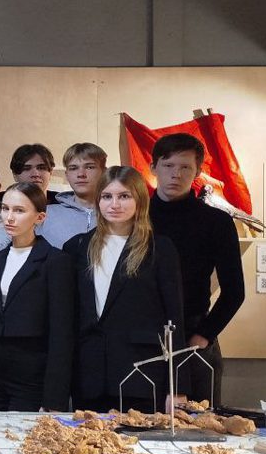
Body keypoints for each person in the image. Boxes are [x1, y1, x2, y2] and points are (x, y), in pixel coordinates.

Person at [63, 167, 184, 413]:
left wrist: (177, 386)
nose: (114, 204)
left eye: (124, 196)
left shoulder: (159, 248)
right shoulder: (77, 247)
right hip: (89, 375)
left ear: (139, 200)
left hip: (140, 375)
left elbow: (175, 319)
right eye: (107, 196)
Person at [148, 133, 245, 405]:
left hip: (195, 334)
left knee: (199, 423)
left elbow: (234, 291)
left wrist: (204, 334)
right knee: (136, 422)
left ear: (198, 171)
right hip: (143, 336)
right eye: (168, 166)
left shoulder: (216, 221)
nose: (176, 174)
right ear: (153, 167)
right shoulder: (136, 217)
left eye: (185, 167)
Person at [0, 183, 75, 412]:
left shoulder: (55, 261)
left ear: (39, 217)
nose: (9, 217)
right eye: (5, 208)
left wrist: (55, 397)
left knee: (23, 432)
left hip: (32, 370)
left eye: (19, 211)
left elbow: (62, 333)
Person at [39, 142, 107, 249]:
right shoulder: (45, 215)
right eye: (73, 168)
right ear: (67, 175)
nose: (81, 174)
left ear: (104, 172)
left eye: (89, 167)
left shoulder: (117, 213)